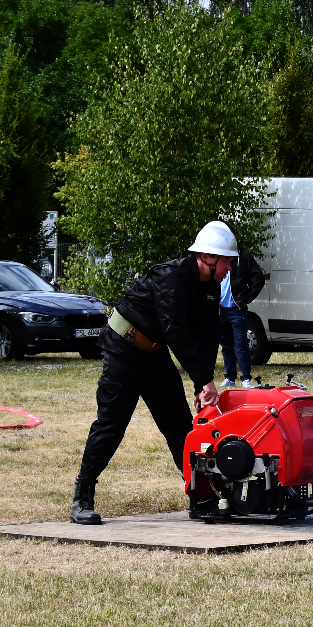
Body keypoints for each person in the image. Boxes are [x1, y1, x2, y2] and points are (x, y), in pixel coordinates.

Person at [70, 222, 233, 525]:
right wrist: (203, 380)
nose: (230, 268)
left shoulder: (211, 286)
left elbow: (208, 334)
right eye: (226, 261)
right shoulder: (170, 278)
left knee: (181, 428)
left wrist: (204, 383)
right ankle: (83, 497)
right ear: (208, 257)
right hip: (124, 349)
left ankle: (201, 497)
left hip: (155, 354)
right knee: (111, 425)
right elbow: (176, 330)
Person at [217, 221, 265, 389]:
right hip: (221, 309)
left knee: (242, 344)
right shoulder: (216, 255)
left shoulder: (242, 255)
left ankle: (246, 378)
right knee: (226, 346)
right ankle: (230, 376)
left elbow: (258, 278)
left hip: (237, 308)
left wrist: (246, 298)